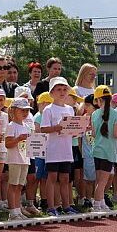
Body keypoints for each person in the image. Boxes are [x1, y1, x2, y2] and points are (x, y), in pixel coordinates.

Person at [38, 77, 78, 216]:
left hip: (66, 150)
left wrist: (77, 130)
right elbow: (43, 128)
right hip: (53, 150)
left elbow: (72, 129)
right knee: (52, 177)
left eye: (64, 89)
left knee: (65, 178)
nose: (62, 92)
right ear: (52, 93)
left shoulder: (70, 109)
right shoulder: (48, 109)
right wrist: (57, 127)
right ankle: (51, 207)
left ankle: (66, 206)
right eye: (58, 89)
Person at [90, 85, 117, 212]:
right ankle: (97, 204)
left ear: (98, 100)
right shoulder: (116, 114)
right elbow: (116, 134)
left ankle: (101, 203)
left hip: (97, 150)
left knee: (99, 180)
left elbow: (93, 134)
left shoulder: (94, 114)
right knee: (103, 182)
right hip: (109, 150)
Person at [5, 98, 33, 220]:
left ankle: (18, 210)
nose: (25, 113)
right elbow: (7, 144)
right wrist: (18, 139)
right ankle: (13, 211)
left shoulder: (27, 126)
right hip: (15, 159)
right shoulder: (11, 126)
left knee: (20, 186)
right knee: (13, 185)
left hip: (25, 159)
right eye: (22, 110)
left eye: (27, 110)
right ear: (13, 110)